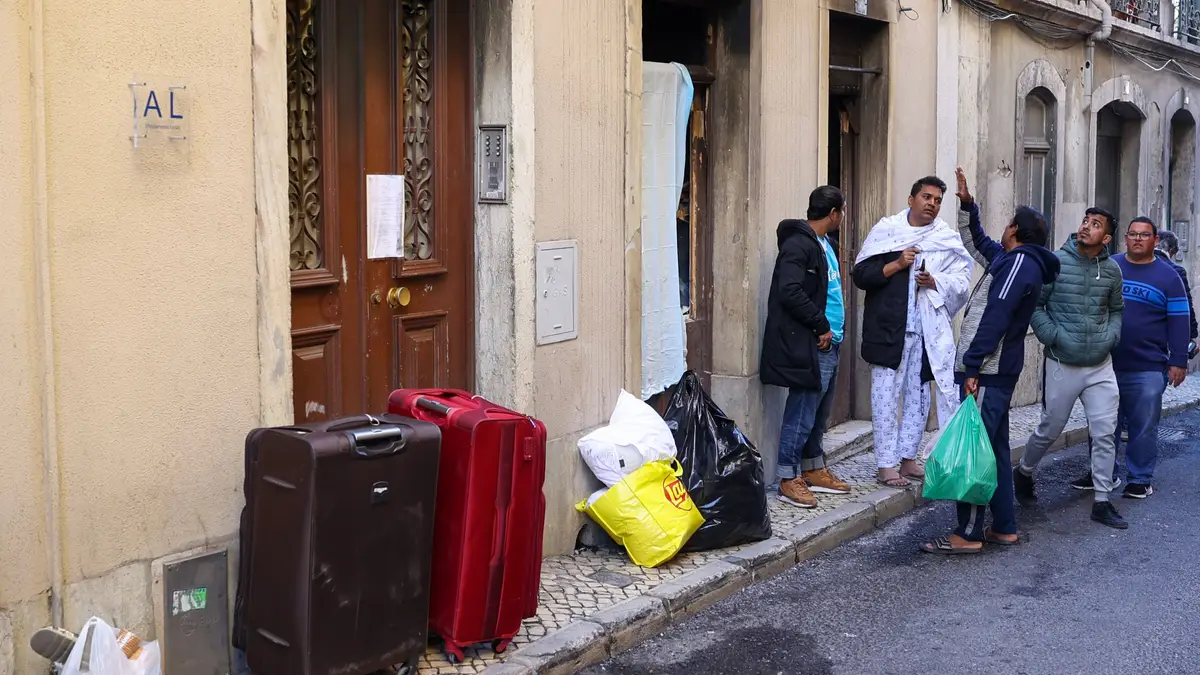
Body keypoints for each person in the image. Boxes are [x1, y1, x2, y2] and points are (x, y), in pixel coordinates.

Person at [921, 169, 1060, 554]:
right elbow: (975, 242)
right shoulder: (1012, 260)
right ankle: (1004, 527)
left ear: (1015, 230)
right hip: (997, 372)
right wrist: (967, 205)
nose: (1004, 228)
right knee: (994, 450)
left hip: (989, 372)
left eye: (1009, 223)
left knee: (972, 451)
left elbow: (995, 316)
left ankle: (967, 534)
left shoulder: (1019, 264)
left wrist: (972, 365)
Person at [1008, 207, 1127, 527]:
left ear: (1107, 236)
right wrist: (1052, 336)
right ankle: (1024, 471)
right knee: (1051, 427)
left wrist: (1111, 335)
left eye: (1096, 224)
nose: (1087, 227)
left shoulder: (1112, 271)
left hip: (1100, 365)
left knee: (1105, 432)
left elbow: (1116, 309)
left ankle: (1102, 500)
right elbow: (1035, 303)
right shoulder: (1056, 262)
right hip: (1062, 362)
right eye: (1086, 221)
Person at [852, 176, 973, 488]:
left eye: (937, 200)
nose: (931, 204)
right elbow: (861, 275)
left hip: (926, 332)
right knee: (884, 396)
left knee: (919, 398)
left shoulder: (944, 238)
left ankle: (908, 458)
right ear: (911, 199)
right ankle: (885, 464)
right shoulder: (887, 231)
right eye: (926, 197)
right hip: (888, 330)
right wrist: (896, 264)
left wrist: (936, 282)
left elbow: (962, 281)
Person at [760, 186, 852, 508]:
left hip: (831, 341)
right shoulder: (799, 245)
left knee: (820, 411)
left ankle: (813, 468)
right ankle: (788, 476)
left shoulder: (825, 243)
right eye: (842, 210)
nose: (843, 216)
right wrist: (820, 323)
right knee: (802, 410)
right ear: (833, 214)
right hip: (816, 341)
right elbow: (789, 290)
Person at [1103, 217, 1190, 499]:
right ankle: (1103, 474)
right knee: (1103, 425)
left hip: (1148, 367)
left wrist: (1178, 360)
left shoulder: (1168, 276)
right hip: (1104, 364)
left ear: (1155, 240)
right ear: (1125, 238)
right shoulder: (1110, 266)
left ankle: (1139, 478)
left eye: (1144, 235)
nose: (1138, 239)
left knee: (1142, 426)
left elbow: (1180, 319)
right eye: (1133, 234)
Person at [1155, 229, 1199, 360]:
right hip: (1163, 333)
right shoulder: (1176, 271)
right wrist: (1191, 335)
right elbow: (1185, 304)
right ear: (1172, 251)